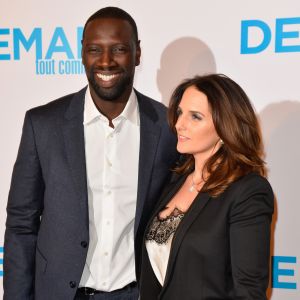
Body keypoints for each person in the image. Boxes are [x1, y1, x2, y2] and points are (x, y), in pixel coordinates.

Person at [3, 7, 178, 300]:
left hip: (137, 294)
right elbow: (22, 223)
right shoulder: (43, 124)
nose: (106, 61)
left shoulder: (167, 127)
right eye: (94, 49)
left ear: (137, 53)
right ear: (82, 54)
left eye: (119, 49)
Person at [139, 74, 274, 299]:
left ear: (224, 127)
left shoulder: (248, 191)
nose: (179, 124)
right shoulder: (176, 180)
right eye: (180, 113)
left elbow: (249, 292)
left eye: (196, 117)